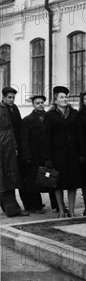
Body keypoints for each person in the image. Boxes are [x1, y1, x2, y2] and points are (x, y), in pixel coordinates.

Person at [44, 86, 85, 218]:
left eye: (66, 97)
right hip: (57, 155)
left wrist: (82, 153)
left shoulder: (75, 114)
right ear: (55, 100)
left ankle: (72, 210)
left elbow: (80, 134)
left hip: (72, 154)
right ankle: (62, 210)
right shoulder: (49, 116)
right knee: (58, 184)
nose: (65, 99)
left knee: (72, 183)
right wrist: (48, 158)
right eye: (61, 97)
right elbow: (46, 137)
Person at [0, 86, 29, 217]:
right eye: (9, 97)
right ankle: (11, 209)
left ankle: (11, 208)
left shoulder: (15, 108)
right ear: (4, 97)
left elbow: (18, 127)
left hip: (14, 148)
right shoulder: (1, 110)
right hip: (4, 149)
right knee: (6, 178)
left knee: (11, 178)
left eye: (13, 97)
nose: (12, 100)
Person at [19, 94, 47, 213]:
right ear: (33, 105)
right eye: (37, 103)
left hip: (47, 154)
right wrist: (27, 156)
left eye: (42, 102)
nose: (40, 105)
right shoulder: (27, 120)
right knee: (34, 181)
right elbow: (24, 140)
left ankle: (57, 204)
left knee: (49, 178)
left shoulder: (49, 117)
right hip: (34, 155)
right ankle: (36, 205)